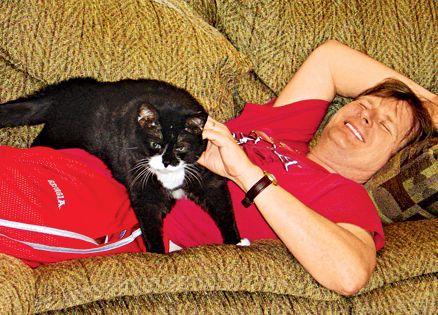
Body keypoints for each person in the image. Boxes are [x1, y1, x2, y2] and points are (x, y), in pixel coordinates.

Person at [0, 40, 436, 296]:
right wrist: (430, 104)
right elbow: (331, 58)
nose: (365, 116)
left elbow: (348, 273)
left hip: (121, 213)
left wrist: (245, 172)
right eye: (366, 104)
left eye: (385, 125)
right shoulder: (284, 129)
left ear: (390, 160)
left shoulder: (345, 199)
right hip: (83, 159)